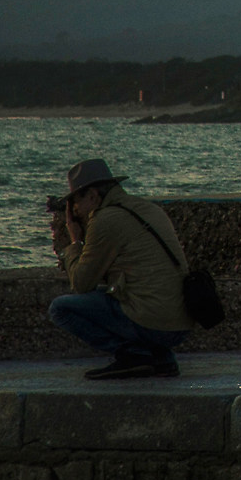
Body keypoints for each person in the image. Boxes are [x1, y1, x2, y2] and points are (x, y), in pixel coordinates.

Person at [46, 158, 196, 380]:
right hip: (181, 323)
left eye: (75, 201)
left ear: (93, 196)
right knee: (129, 297)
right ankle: (162, 358)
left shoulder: (105, 219)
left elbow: (81, 283)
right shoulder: (147, 208)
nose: (75, 210)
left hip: (153, 323)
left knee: (60, 308)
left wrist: (75, 242)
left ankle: (134, 356)